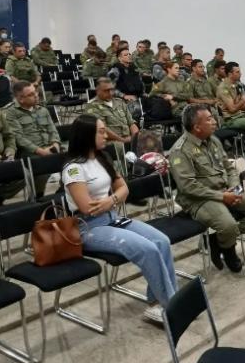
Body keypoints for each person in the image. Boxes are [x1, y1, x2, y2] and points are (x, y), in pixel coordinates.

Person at [62, 114, 176, 322]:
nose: (107, 135)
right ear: (87, 135)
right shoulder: (74, 169)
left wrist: (110, 201)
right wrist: (113, 200)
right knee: (147, 249)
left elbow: (124, 188)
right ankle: (171, 306)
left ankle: (158, 302)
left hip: (112, 217)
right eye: (101, 131)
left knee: (162, 241)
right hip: (89, 228)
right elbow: (88, 209)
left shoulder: (102, 158)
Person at [169, 104, 245, 273]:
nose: (215, 122)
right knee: (228, 226)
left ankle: (217, 241)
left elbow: (229, 167)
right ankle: (229, 251)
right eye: (209, 119)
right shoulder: (180, 151)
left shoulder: (213, 140)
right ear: (197, 127)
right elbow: (188, 187)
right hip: (200, 199)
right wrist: (223, 196)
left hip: (226, 189)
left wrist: (232, 187)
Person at [6, 81, 60, 197]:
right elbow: (19, 138)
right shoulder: (11, 113)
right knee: (42, 168)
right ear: (20, 99)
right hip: (29, 152)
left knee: (74, 160)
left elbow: (52, 130)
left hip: (50, 147)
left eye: (35, 91)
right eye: (31, 94)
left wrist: (55, 144)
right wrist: (41, 151)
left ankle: (62, 194)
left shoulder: (42, 110)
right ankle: (38, 196)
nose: (36, 95)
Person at [216, 62, 245, 149]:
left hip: (241, 116)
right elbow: (233, 109)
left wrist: (238, 103)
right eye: (237, 72)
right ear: (230, 74)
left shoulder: (239, 85)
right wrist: (241, 101)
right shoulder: (223, 88)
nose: (240, 74)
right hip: (231, 120)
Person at [85, 78, 139, 144]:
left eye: (112, 90)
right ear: (98, 91)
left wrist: (135, 138)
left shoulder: (119, 102)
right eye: (106, 90)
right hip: (110, 142)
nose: (110, 93)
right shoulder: (92, 106)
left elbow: (131, 123)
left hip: (129, 139)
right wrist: (123, 140)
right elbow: (103, 130)